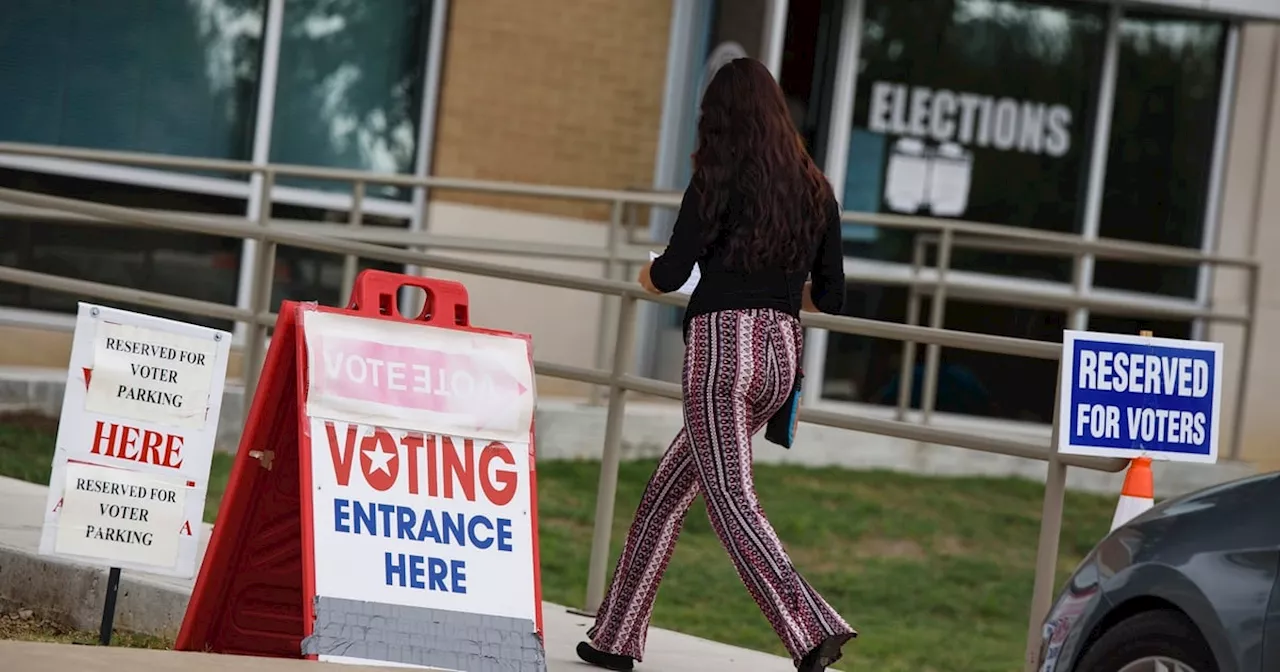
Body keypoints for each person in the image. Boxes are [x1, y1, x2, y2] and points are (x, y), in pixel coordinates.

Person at [575, 57, 855, 672]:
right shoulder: (816, 187)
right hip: (781, 356)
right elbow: (830, 295)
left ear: (719, 119)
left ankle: (812, 629)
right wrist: (778, 288)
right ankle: (615, 637)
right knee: (666, 492)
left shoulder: (718, 181)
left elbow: (671, 273)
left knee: (731, 499)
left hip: (724, 352)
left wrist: (645, 277)